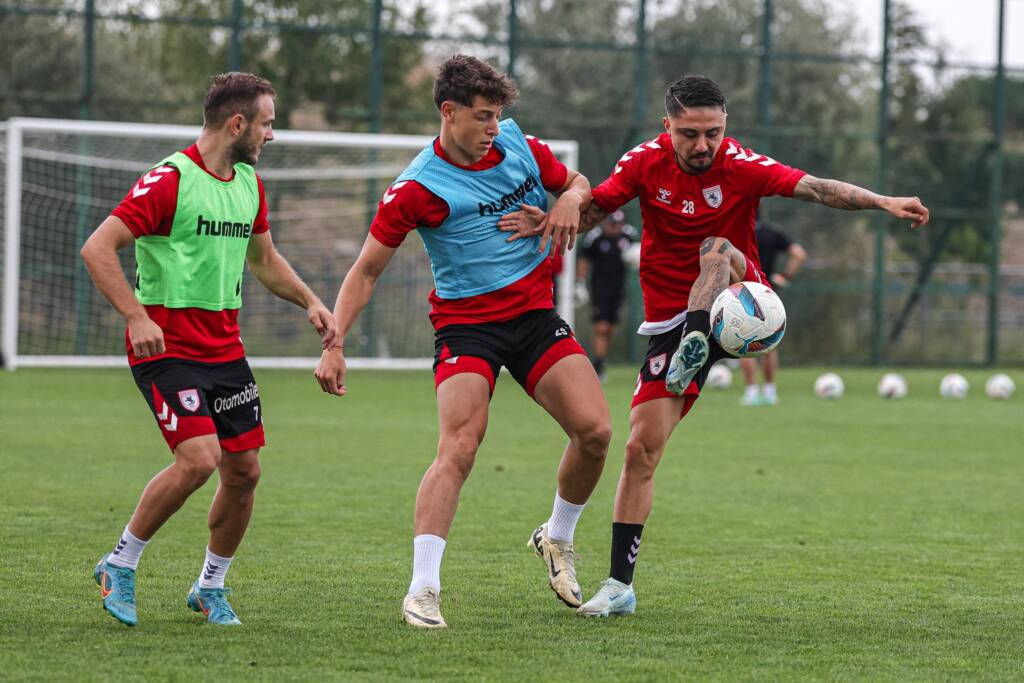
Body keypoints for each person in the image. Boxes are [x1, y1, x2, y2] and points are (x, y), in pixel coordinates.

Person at [503, 74, 928, 617]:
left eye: (714, 132)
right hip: (667, 322)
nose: (703, 145)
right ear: (667, 128)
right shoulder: (642, 163)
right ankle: (620, 586)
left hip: (740, 300)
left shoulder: (742, 165)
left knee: (717, 245)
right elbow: (594, 210)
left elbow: (819, 188)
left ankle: (700, 339)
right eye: (690, 134)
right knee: (640, 449)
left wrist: (883, 201)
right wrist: (554, 220)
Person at [313, 55, 611, 629]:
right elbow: (367, 270)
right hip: (466, 327)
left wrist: (568, 200)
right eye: (481, 118)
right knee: (460, 446)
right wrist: (335, 342)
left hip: (532, 315)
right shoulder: (417, 188)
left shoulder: (517, 142)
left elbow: (575, 183)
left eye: (498, 116)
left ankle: (557, 538)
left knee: (595, 433)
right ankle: (422, 590)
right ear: (448, 114)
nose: (493, 129)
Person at [80, 72, 336, 627]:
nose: (272, 134)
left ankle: (209, 587)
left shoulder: (248, 182)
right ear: (237, 123)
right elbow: (97, 247)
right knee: (199, 458)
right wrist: (135, 315)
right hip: (165, 348)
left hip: (224, 349)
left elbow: (264, 261)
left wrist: (310, 301)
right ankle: (119, 563)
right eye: (267, 123)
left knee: (244, 472)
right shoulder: (169, 181)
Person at [739, 219, 807, 405]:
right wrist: (784, 276)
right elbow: (799, 254)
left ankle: (751, 391)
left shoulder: (737, 230)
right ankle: (770, 391)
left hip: (742, 293)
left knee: (743, 342)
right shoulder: (772, 232)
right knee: (769, 344)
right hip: (768, 294)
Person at [577, 210, 638, 381]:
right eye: (611, 224)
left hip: (619, 288)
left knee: (610, 327)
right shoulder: (594, 238)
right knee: (601, 326)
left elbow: (637, 254)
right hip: (599, 288)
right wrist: (580, 284)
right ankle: (598, 364)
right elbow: (584, 261)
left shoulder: (629, 235)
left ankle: (600, 360)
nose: (615, 228)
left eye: (617, 224)